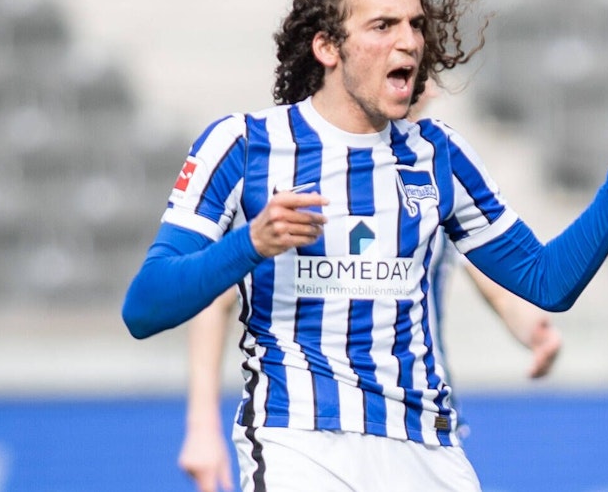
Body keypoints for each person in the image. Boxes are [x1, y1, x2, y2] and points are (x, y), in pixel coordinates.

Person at [120, 0, 608, 491]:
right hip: (300, 444)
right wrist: (250, 244)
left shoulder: (438, 154)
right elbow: (144, 308)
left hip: (425, 449)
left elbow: (546, 281)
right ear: (327, 47)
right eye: (383, 26)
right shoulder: (242, 145)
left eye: (415, 24)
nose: (409, 42)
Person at [175, 90, 565, 492]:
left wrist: (533, 329)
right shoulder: (288, 164)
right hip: (311, 425)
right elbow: (218, 294)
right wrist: (202, 425)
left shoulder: (432, 170)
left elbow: (495, 278)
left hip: (418, 420)